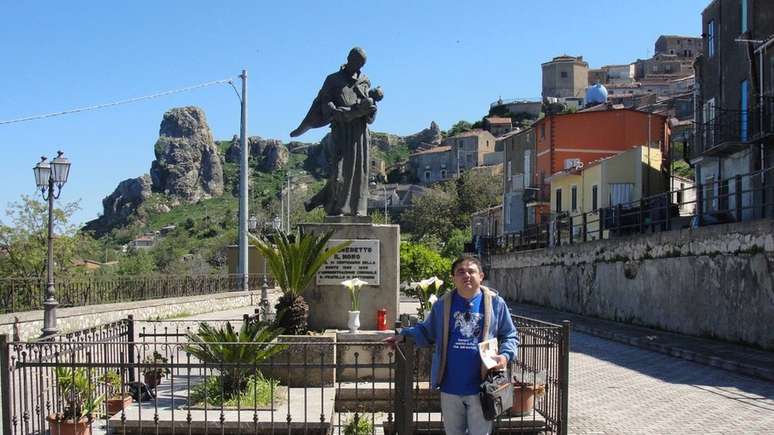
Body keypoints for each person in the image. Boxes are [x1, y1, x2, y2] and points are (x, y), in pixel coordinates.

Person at [384, 256, 519, 435]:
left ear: (481, 276)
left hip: (482, 387)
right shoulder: (443, 304)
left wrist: (505, 356)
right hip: (450, 387)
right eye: (460, 272)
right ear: (453, 278)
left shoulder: (495, 303)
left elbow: (510, 335)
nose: (466, 276)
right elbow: (427, 331)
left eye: (471, 271)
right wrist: (403, 335)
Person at [290, 47, 381, 216]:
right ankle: (334, 205)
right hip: (341, 130)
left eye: (361, 64)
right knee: (339, 173)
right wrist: (348, 112)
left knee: (359, 173)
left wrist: (372, 106)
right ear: (348, 59)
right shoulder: (333, 80)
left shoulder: (365, 81)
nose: (358, 67)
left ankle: (355, 210)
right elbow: (326, 107)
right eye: (356, 62)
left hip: (360, 133)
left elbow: (369, 116)